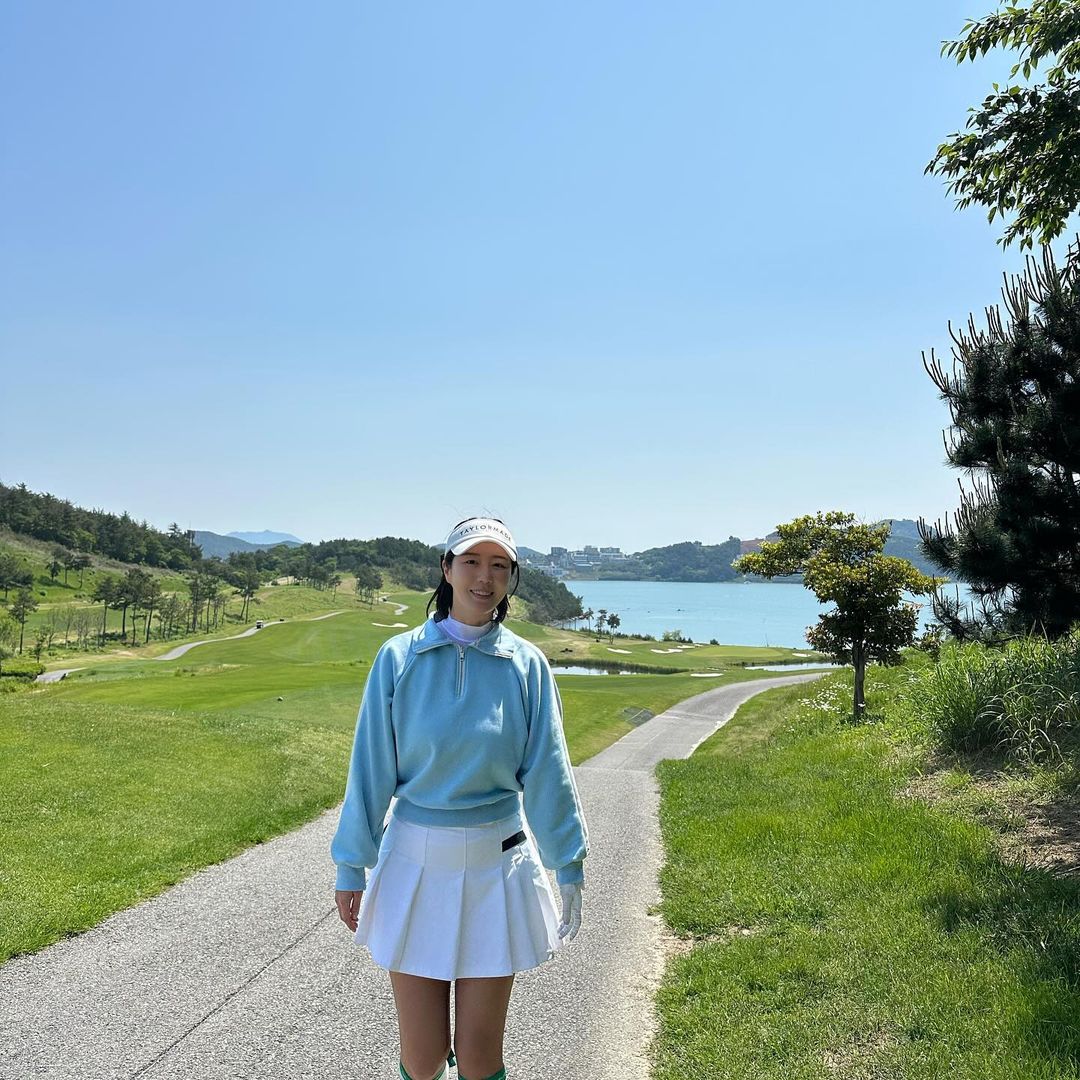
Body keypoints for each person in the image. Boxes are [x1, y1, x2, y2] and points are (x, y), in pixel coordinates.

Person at [332, 516, 589, 1080]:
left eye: (499, 566)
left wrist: (567, 862)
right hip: (413, 862)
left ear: (511, 578)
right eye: (471, 561)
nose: (484, 577)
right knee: (423, 1058)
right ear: (446, 569)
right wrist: (351, 864)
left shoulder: (526, 664)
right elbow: (371, 768)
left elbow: (548, 770)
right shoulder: (399, 658)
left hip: (498, 866)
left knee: (478, 1058)